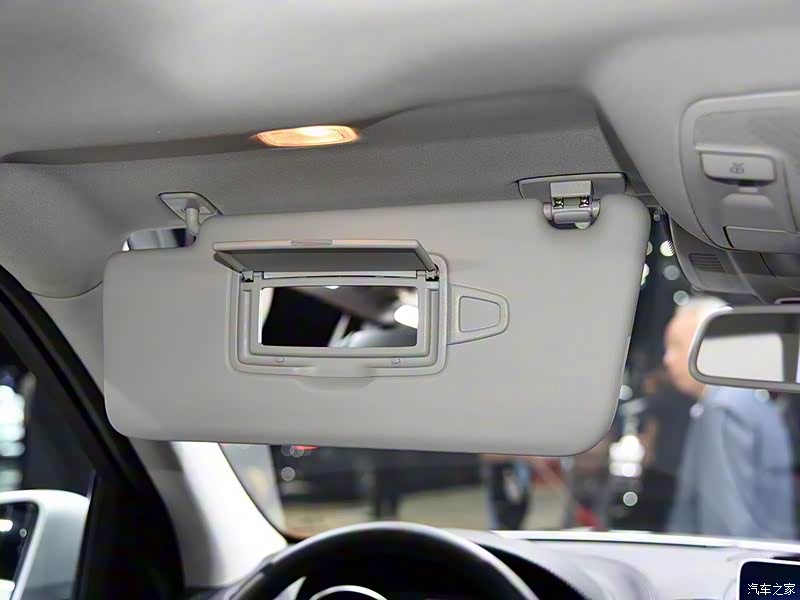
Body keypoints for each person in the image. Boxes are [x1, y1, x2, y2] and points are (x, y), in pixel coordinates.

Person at [663, 297, 796, 539]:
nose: (667, 359)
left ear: (711, 348)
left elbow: (724, 523)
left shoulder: (723, 408)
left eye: (676, 346)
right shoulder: (747, 400)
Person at [630, 370, 696, 532]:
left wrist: (644, 467)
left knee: (650, 525)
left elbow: (649, 436)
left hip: (659, 473)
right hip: (684, 472)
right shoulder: (693, 402)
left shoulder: (657, 402)